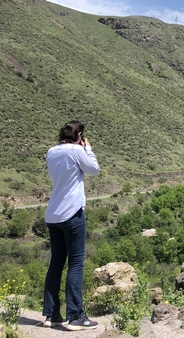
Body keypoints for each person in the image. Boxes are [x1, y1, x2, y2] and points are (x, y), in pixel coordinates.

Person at [42, 121, 100, 330]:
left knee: (56, 262)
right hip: (72, 213)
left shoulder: (51, 152)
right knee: (76, 263)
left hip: (53, 214)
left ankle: (51, 314)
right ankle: (75, 316)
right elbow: (93, 169)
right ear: (80, 135)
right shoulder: (77, 151)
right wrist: (89, 149)